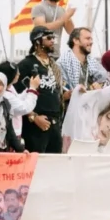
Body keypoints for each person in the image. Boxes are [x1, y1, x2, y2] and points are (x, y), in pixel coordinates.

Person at [14, 26, 66, 154]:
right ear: (37, 42)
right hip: (35, 125)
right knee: (36, 164)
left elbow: (56, 94)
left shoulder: (54, 66)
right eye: (48, 38)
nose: (52, 41)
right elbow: (15, 96)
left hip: (54, 123)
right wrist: (33, 117)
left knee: (54, 165)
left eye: (53, 38)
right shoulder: (26, 65)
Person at [58, 26, 110, 100]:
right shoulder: (62, 64)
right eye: (87, 39)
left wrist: (99, 86)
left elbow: (104, 81)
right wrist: (73, 93)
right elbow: (59, 94)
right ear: (76, 40)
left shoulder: (93, 63)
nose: (91, 42)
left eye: (91, 39)